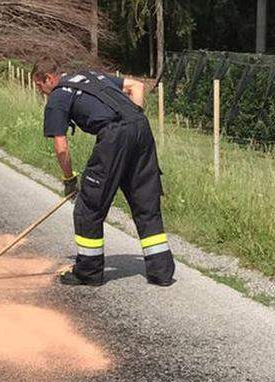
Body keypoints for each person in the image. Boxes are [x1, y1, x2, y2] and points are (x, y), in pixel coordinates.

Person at [32, 58, 175, 287]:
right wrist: (132, 117)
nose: (40, 91)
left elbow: (61, 147)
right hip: (141, 128)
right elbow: (136, 86)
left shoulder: (58, 96)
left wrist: (69, 179)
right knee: (145, 204)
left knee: (89, 206)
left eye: (39, 86)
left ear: (48, 78)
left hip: (114, 137)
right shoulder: (90, 75)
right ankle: (162, 273)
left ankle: (88, 272)